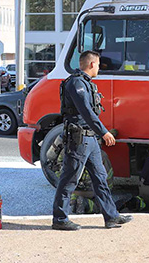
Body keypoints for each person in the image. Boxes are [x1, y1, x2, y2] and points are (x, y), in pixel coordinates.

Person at [51, 50, 131, 230]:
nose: (99, 68)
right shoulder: (76, 83)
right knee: (69, 178)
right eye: (98, 64)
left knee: (100, 178)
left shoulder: (86, 83)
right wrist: (104, 132)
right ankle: (60, 219)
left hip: (90, 138)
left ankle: (111, 217)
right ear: (92, 64)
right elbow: (86, 111)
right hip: (79, 138)